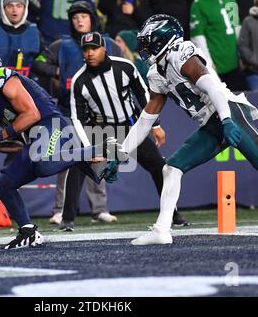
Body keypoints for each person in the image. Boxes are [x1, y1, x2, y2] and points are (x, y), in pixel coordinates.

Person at [110, 14, 258, 245]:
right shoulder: (156, 73)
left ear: (162, 39)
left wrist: (226, 121)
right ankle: (162, 230)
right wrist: (120, 153)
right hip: (211, 123)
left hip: (229, 111)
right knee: (171, 168)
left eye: (148, 42)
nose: (144, 48)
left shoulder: (180, 54)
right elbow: (146, 120)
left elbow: (213, 88)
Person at [0, 46, 124, 249]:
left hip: (50, 124)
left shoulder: (2, 78)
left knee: (43, 164)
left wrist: (0, 134)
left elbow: (32, 114)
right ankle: (28, 232)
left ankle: (101, 148)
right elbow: (16, 142)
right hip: (34, 138)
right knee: (4, 186)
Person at [61, 31, 188, 231]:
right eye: (85, 50)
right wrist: (88, 147)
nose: (90, 53)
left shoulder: (125, 67)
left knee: (160, 168)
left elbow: (143, 94)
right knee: (77, 167)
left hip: (130, 128)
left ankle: (173, 215)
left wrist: (155, 125)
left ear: (104, 48)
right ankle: (67, 220)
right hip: (101, 130)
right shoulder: (79, 80)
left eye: (94, 48)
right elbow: (77, 117)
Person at [33, 0, 122, 226]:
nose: (79, 20)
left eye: (83, 16)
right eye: (74, 17)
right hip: (68, 111)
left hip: (100, 112)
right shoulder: (60, 45)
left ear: (92, 18)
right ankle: (60, 210)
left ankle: (99, 209)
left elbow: (123, 67)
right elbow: (38, 64)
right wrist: (58, 72)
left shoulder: (109, 44)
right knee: (68, 161)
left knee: (99, 159)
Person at [190, 0, 248, 91]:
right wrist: (208, 62)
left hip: (234, 62)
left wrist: (241, 55)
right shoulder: (199, 3)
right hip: (216, 64)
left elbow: (237, 27)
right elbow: (198, 36)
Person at [0, 0, 43, 78]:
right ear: (3, 9)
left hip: (26, 85)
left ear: (25, 8)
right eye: (10, 6)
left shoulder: (34, 31)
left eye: (19, 6)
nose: (14, 10)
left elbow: (43, 61)